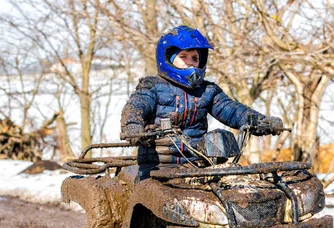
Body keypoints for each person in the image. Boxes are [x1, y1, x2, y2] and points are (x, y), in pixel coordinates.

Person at [120, 25, 284, 180]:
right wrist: (133, 125)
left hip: (199, 164)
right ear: (167, 59)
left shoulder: (208, 90)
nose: (190, 62)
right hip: (158, 167)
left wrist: (262, 122)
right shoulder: (152, 87)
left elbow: (233, 110)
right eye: (183, 57)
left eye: (195, 58)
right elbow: (136, 106)